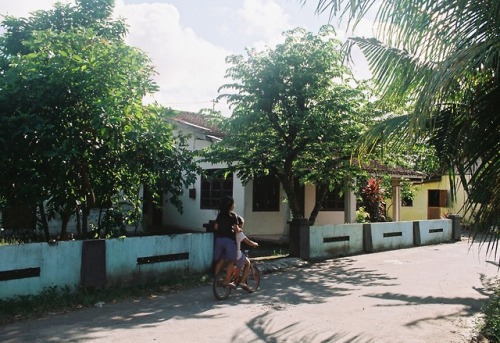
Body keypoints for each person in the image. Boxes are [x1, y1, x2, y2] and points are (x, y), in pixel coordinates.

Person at [213, 196, 240, 287]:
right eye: (233, 203)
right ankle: (227, 281)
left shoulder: (220, 214)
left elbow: (216, 227)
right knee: (231, 261)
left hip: (219, 240)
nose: (234, 205)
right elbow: (236, 229)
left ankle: (215, 280)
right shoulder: (233, 216)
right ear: (231, 205)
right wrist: (238, 230)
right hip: (229, 240)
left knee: (220, 260)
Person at [235, 216, 259, 292]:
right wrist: (254, 244)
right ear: (240, 224)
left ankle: (236, 278)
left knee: (238, 263)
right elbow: (248, 242)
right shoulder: (239, 232)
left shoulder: (230, 231)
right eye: (242, 224)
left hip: (228, 252)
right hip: (236, 253)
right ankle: (242, 282)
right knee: (248, 263)